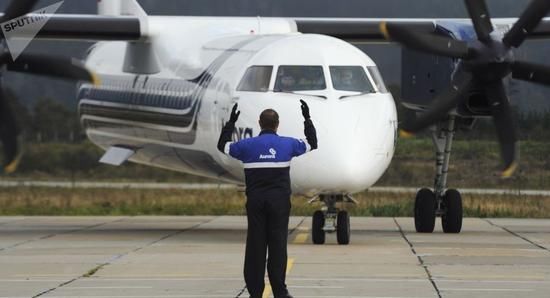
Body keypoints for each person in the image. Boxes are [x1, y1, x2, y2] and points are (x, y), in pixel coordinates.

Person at [217, 100, 318, 298]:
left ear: (260, 123)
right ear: (277, 124)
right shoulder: (288, 144)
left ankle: (255, 292)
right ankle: (280, 291)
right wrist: (307, 118)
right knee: (278, 245)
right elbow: (313, 143)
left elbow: (223, 146)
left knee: (256, 245)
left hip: (255, 202)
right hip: (279, 203)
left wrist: (231, 122)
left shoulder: (246, 146)